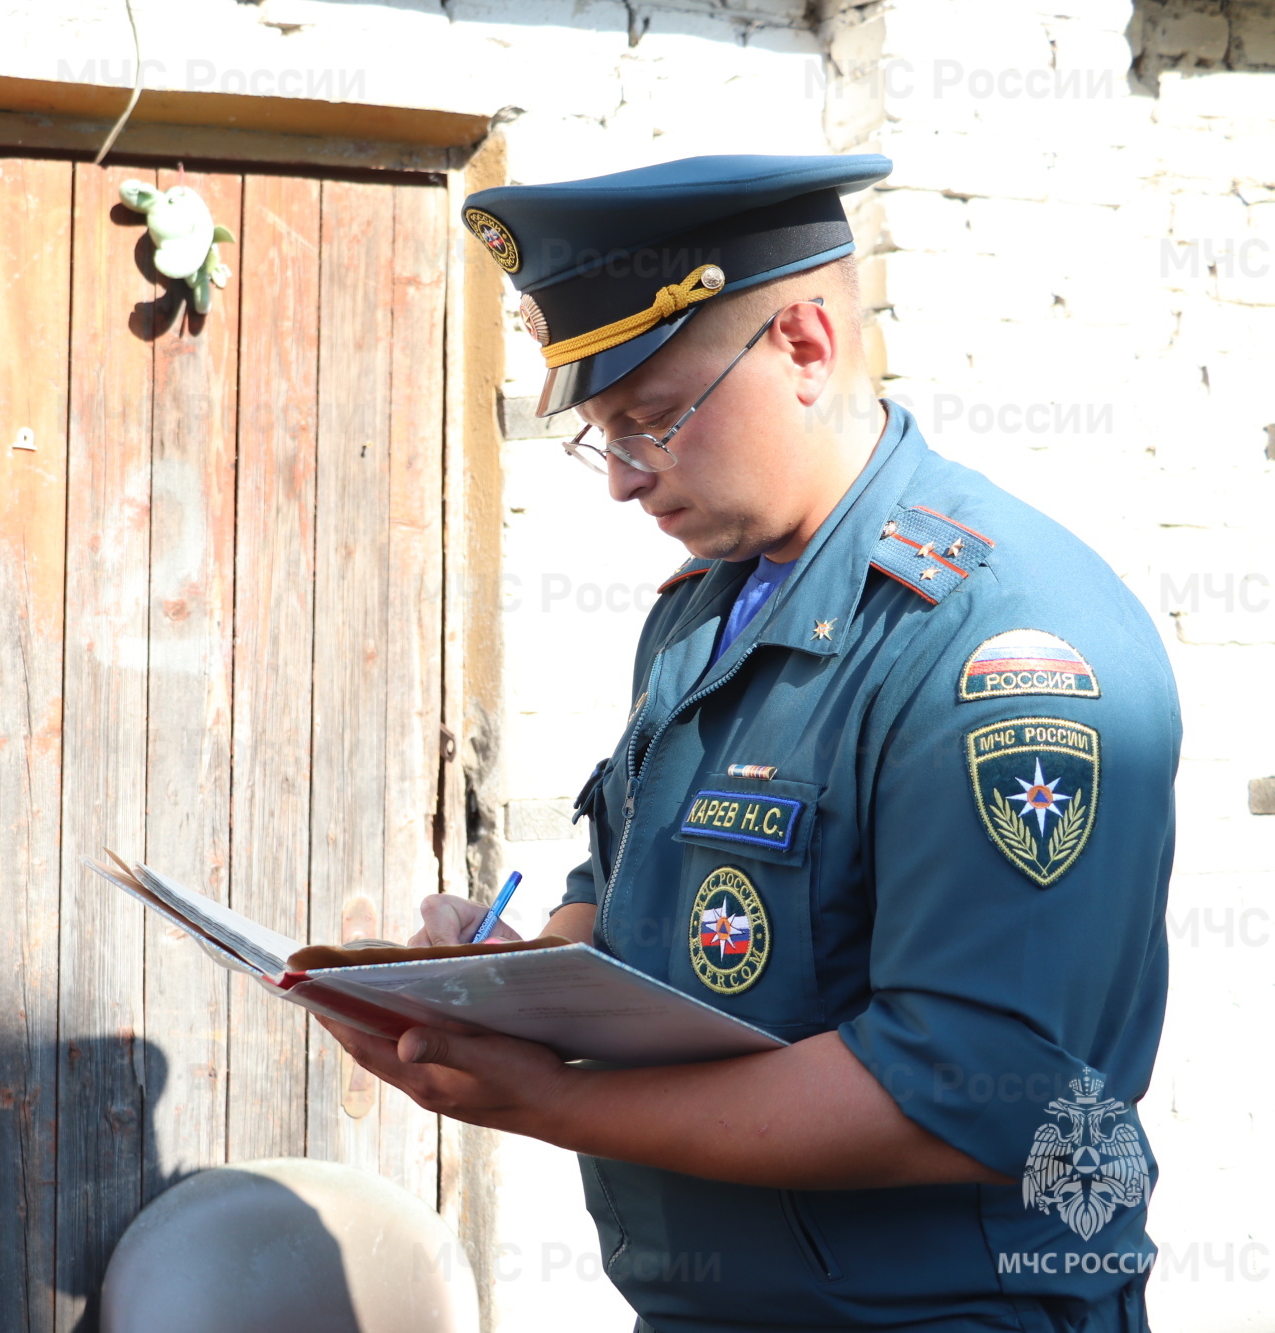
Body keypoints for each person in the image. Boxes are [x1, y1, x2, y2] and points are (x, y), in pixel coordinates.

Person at [324, 155, 1177, 1330]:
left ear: (805, 349)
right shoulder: (710, 601)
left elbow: (961, 1094)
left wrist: (539, 1099)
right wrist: (502, 978)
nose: (624, 479)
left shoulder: (1001, 646)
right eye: (601, 434)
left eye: (653, 419)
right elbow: (627, 890)